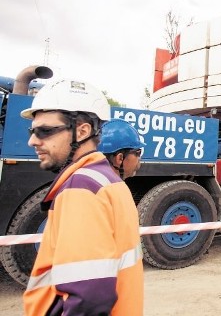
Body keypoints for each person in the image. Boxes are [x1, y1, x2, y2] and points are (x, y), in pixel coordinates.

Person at [21, 79, 143, 316]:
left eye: (45, 131)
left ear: (83, 131)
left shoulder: (82, 188)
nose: (33, 141)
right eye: (32, 131)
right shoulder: (109, 182)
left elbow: (88, 298)